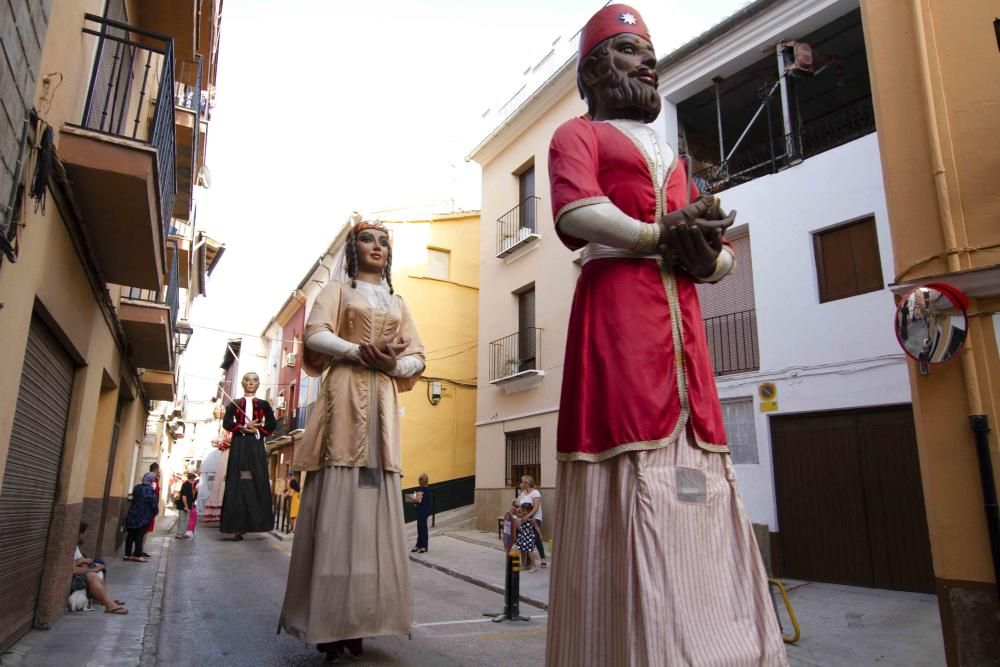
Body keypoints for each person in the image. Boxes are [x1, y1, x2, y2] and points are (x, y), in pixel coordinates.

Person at [544, 6, 786, 665]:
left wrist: (705, 250)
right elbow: (575, 210)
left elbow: (719, 253)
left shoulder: (674, 156)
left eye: (649, 50)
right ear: (597, 68)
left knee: (697, 467)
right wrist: (662, 236)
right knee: (629, 456)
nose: (648, 60)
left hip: (684, 331)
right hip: (618, 317)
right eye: (628, 50)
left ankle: (713, 645)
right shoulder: (576, 135)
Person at [278, 219, 425, 663]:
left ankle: (363, 617)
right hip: (343, 397)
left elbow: (418, 355)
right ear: (353, 249)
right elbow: (315, 335)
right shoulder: (337, 291)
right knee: (339, 506)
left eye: (384, 242)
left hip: (381, 401)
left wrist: (390, 366)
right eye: (367, 239)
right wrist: (358, 351)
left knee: (371, 508)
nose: (377, 247)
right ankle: (328, 620)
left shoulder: (399, 301)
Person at [220, 372, 276, 540]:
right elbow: (227, 423)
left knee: (258, 479)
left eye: (255, 380)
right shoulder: (234, 404)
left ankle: (256, 522)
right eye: (248, 380)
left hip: (256, 444)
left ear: (258, 384)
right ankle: (235, 524)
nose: (251, 383)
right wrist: (243, 428)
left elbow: (272, 423)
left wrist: (257, 429)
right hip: (239, 445)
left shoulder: (264, 404)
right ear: (242, 383)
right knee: (236, 482)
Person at [72, 522, 127, 614]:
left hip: (79, 572)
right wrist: (91, 570)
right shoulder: (70, 547)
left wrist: (86, 565)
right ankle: (109, 605)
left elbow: (83, 560)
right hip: (72, 581)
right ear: (80, 534)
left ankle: (105, 598)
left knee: (99, 563)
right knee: (92, 576)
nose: (85, 536)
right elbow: (72, 569)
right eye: (85, 533)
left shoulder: (75, 547)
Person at [201, 406, 231, 524]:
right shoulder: (224, 427)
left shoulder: (228, 427)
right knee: (222, 480)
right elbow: (222, 442)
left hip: (227, 454)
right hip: (226, 455)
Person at [511, 475, 546, 568]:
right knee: (523, 539)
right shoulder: (523, 493)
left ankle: (543, 558)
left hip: (535, 518)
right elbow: (520, 505)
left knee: (536, 538)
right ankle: (527, 561)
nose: (521, 484)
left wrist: (528, 516)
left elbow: (536, 507)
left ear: (527, 483)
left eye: (522, 482)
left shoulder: (535, 493)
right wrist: (515, 508)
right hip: (523, 520)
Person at [123, 472, 159, 562]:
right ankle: (138, 555)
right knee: (140, 535)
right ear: (151, 480)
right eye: (153, 479)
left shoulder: (137, 487)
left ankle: (127, 554)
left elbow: (134, 497)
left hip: (132, 514)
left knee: (130, 534)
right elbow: (153, 504)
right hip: (143, 516)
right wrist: (154, 513)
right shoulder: (149, 490)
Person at [407, 473, 431, 553]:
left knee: (422, 528)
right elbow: (415, 500)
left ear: (422, 481)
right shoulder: (425, 489)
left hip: (422, 512)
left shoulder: (423, 490)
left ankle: (423, 546)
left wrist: (413, 501)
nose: (418, 481)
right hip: (422, 511)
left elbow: (413, 499)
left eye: (419, 480)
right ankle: (419, 544)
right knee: (420, 528)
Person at [514, 502, 538, 573]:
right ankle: (523, 565)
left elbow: (536, 527)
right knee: (522, 551)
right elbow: (518, 527)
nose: (523, 512)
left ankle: (534, 566)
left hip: (529, 537)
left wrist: (540, 535)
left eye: (524, 511)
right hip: (522, 536)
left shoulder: (532, 518)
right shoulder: (521, 517)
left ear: (529, 511)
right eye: (522, 511)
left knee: (530, 551)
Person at [175, 472, 196, 540]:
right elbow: (184, 496)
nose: (194, 481)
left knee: (186, 520)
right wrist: (186, 506)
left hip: (187, 506)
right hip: (183, 506)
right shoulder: (186, 485)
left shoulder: (189, 485)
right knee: (182, 520)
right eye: (194, 479)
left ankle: (183, 533)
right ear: (191, 479)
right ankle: (179, 534)